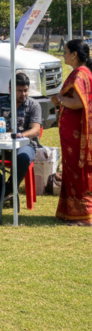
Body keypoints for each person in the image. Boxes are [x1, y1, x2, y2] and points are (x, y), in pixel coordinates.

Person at [0, 73, 42, 208]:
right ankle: (6, 190)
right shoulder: (0, 102)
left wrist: (21, 135)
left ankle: (6, 191)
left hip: (25, 144)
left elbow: (35, 129)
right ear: (10, 89)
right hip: (1, 144)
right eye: (19, 91)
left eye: (26, 90)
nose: (23, 94)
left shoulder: (33, 104)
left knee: (23, 158)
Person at [52, 39, 92, 226]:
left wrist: (60, 99)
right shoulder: (84, 73)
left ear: (75, 54)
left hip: (77, 135)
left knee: (77, 170)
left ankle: (82, 216)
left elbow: (77, 102)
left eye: (66, 52)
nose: (64, 55)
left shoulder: (79, 74)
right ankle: (70, 212)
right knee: (72, 170)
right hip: (75, 133)